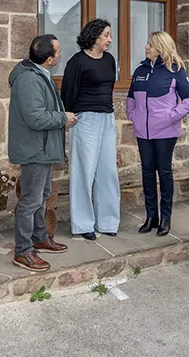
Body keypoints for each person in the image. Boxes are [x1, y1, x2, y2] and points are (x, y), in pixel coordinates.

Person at [8, 34, 77, 272]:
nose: (60, 54)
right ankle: (23, 251)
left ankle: (39, 238)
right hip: (35, 150)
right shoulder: (29, 80)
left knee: (42, 195)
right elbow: (35, 118)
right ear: (49, 59)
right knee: (30, 201)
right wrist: (63, 118)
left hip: (43, 148)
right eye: (58, 52)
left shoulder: (39, 74)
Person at [126, 31, 189, 236]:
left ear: (160, 47)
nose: (146, 47)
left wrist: (172, 116)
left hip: (166, 132)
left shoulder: (175, 70)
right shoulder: (140, 70)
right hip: (143, 132)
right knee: (147, 172)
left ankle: (166, 218)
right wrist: (133, 115)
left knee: (164, 172)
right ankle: (151, 217)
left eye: (150, 44)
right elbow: (130, 98)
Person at [61, 19, 120, 241]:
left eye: (110, 35)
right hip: (85, 120)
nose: (109, 39)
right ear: (94, 37)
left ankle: (108, 221)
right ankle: (83, 224)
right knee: (84, 172)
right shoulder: (77, 61)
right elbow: (67, 93)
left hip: (107, 118)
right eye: (106, 35)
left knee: (108, 171)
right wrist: (70, 116)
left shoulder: (109, 60)